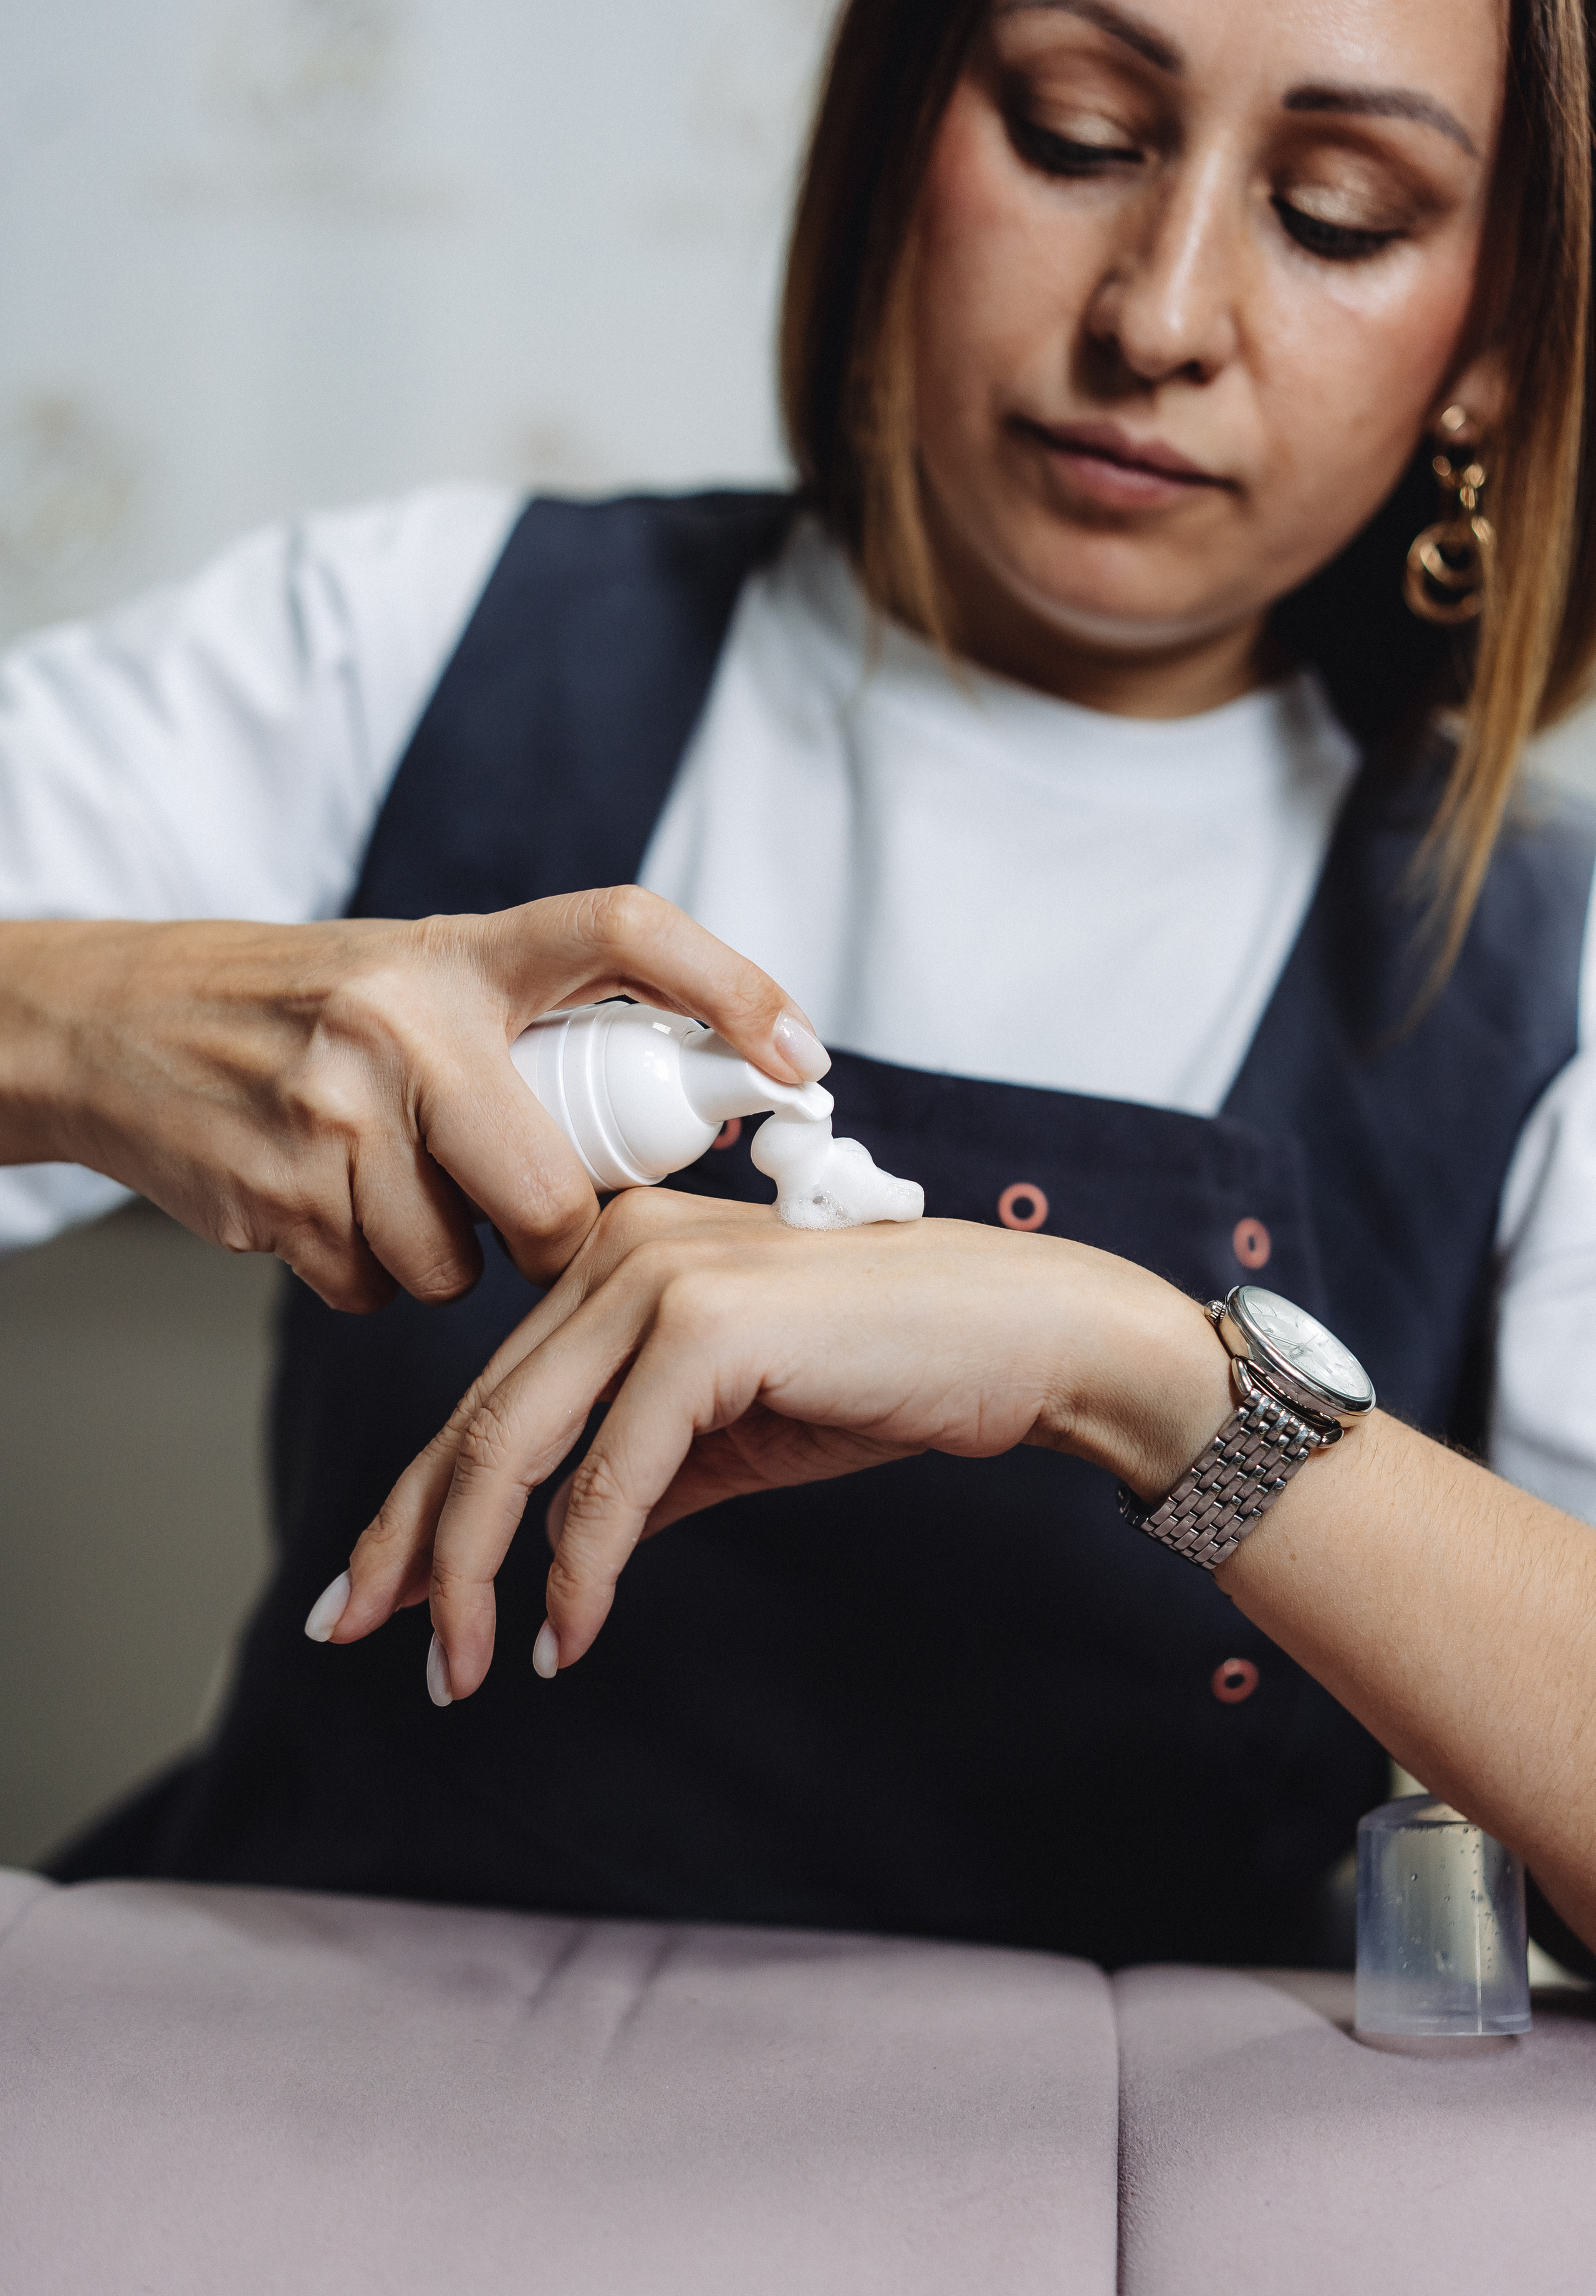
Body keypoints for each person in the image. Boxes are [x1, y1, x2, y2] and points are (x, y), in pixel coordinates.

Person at [6, 0, 1596, 1971]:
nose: (1162, 317)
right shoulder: (421, 641)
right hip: (301, 2101)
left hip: (1073, 2237)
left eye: (1340, 214)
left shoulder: (1547, 974)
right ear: (895, 127)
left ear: (1500, 339)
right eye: (1079, 132)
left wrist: (1156, 1383)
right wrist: (60, 1025)